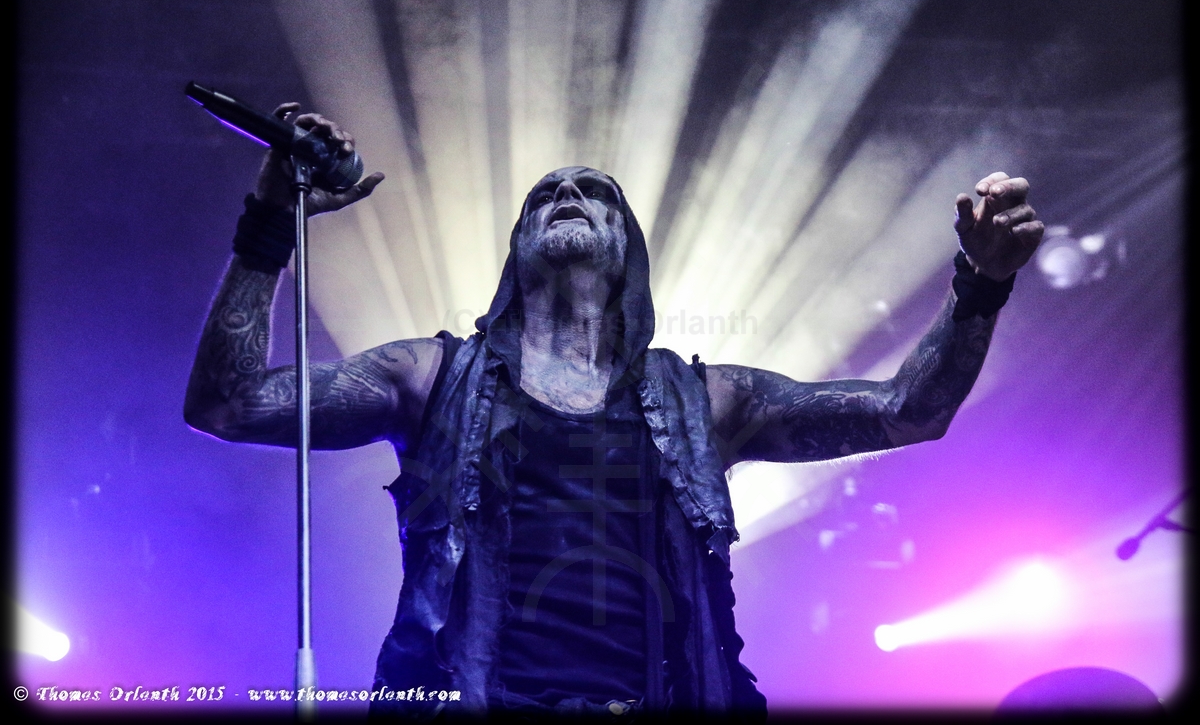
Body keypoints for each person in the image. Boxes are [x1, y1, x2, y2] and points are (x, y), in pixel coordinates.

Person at [184, 105, 1044, 718]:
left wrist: (982, 285)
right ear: (517, 251)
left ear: (627, 246)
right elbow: (229, 403)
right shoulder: (430, 376)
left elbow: (905, 411)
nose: (566, 192)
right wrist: (271, 218)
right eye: (544, 195)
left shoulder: (708, 400)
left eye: (592, 190)